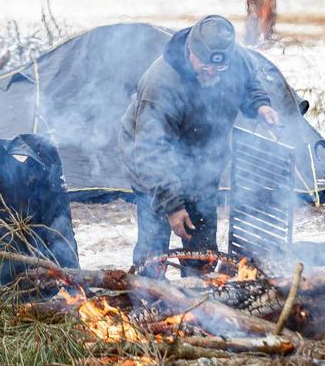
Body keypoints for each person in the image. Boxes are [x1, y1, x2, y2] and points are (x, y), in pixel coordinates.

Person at [120, 15, 280, 273]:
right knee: (154, 246)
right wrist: (172, 206)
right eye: (205, 64)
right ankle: (148, 295)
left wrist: (261, 105)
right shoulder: (162, 84)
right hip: (151, 165)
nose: (212, 71)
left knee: (202, 248)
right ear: (190, 50)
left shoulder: (232, 59)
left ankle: (199, 298)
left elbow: (248, 81)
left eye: (219, 67)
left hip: (202, 165)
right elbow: (152, 151)